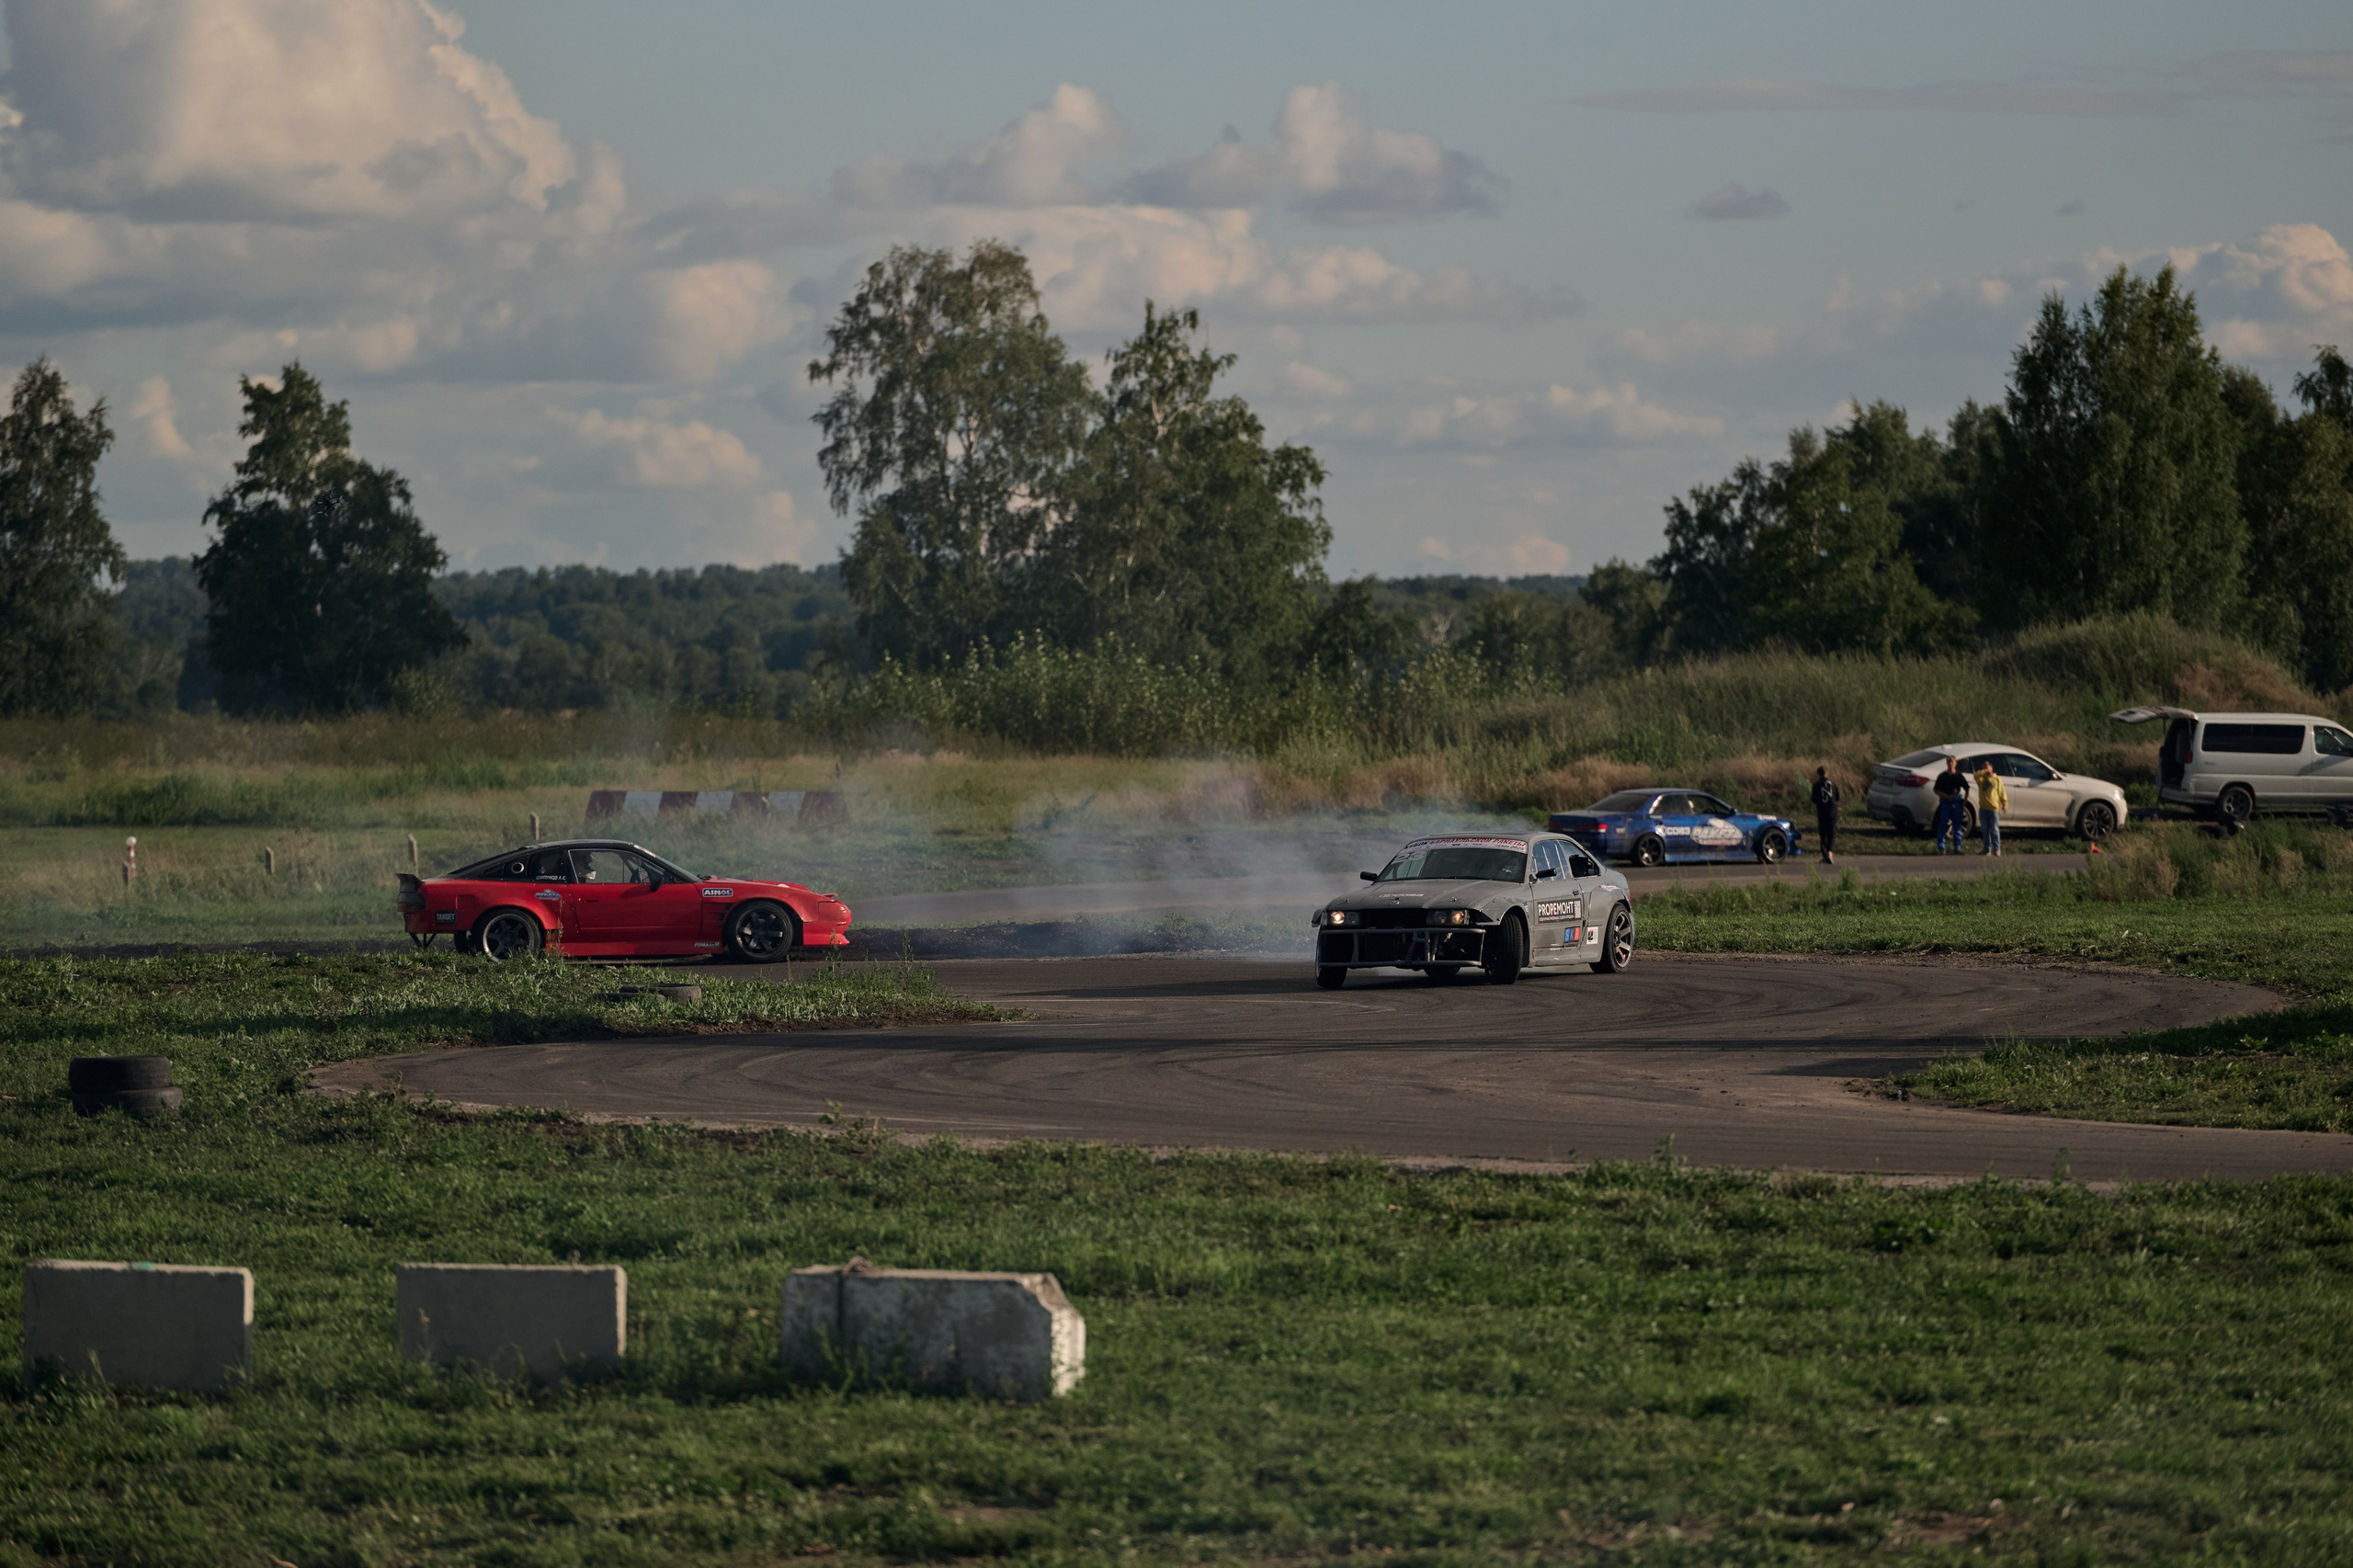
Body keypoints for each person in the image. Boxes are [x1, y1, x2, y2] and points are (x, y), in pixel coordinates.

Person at [1931, 755, 1969, 854]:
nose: (1950, 764)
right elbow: (1936, 790)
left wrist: (1965, 799)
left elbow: (1967, 787)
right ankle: (1941, 848)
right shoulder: (1942, 776)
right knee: (1943, 825)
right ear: (1947, 764)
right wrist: (1947, 797)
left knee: (1957, 826)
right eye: (1949, 762)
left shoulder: (1959, 776)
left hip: (1956, 803)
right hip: (1946, 802)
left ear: (1955, 763)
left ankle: (1957, 847)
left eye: (1952, 762)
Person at [1972, 758, 2006, 857]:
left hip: (1993, 809)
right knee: (1985, 830)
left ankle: (1997, 849)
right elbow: (1975, 775)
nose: (1985, 769)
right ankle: (1987, 849)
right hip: (1983, 808)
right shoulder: (1981, 780)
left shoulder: (1996, 780)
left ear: (1992, 768)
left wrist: (2004, 804)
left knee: (1994, 829)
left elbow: (2002, 792)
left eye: (1987, 767)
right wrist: (1984, 772)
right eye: (1983, 767)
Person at [1811, 766, 1841, 864]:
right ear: (1827, 773)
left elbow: (1814, 799)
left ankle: (1825, 855)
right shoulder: (1833, 784)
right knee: (1831, 832)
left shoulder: (1816, 785)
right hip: (1833, 810)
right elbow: (1837, 797)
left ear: (1818, 774)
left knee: (1823, 833)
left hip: (1822, 811)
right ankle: (1830, 853)